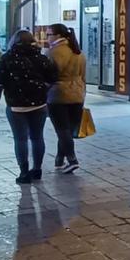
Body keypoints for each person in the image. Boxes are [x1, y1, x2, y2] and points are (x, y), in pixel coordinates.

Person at [0, 30, 58, 184]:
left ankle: (24, 173)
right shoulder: (41, 57)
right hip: (39, 104)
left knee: (20, 139)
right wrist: (43, 88)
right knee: (37, 137)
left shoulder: (7, 58)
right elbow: (53, 77)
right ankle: (37, 169)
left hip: (16, 106)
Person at [45, 24, 86, 174]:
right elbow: (83, 76)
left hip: (58, 95)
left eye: (49, 34)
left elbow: (49, 76)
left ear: (58, 36)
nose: (47, 38)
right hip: (77, 94)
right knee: (68, 130)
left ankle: (72, 160)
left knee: (62, 130)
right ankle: (59, 160)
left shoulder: (53, 52)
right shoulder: (78, 52)